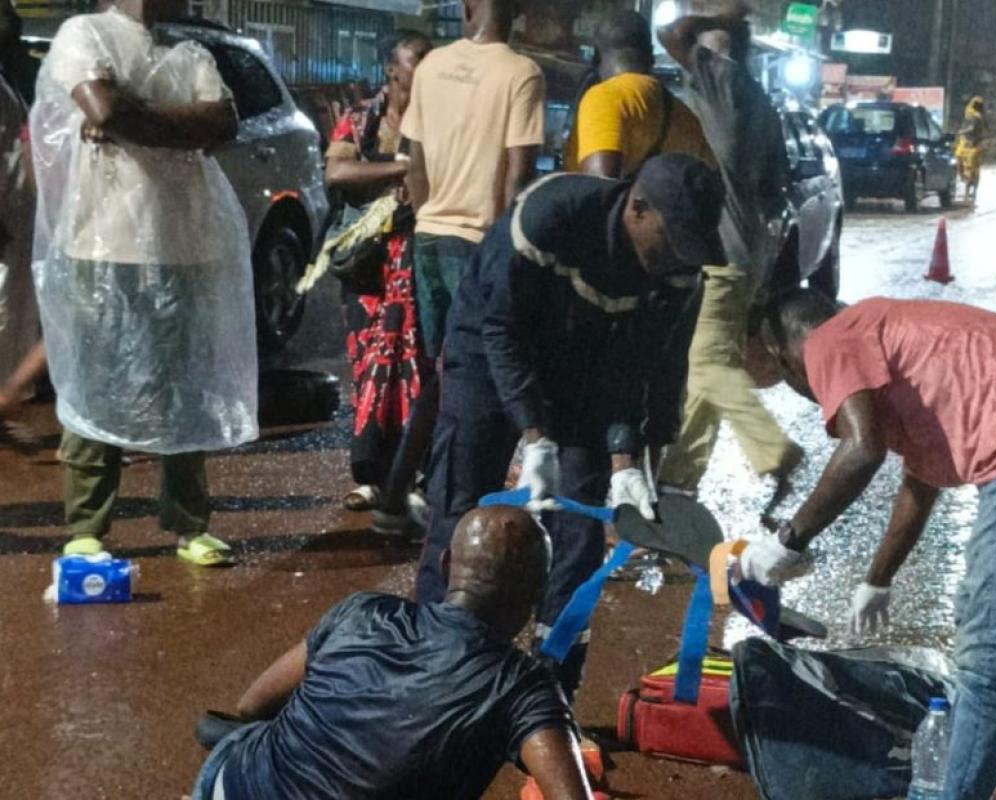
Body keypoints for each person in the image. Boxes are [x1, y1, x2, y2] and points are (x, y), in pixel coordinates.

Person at [741, 290, 996, 800]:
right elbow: (918, 487)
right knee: (986, 617)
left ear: (782, 351)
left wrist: (787, 541)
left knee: (991, 646)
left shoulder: (831, 338)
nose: (809, 393)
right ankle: (978, 753)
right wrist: (878, 579)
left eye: (791, 380)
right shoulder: (895, 350)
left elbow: (861, 451)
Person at [423, 154, 724, 698]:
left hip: (585, 373)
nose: (682, 257)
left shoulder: (678, 276)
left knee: (580, 535)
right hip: (492, 349)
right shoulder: (548, 217)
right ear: (637, 208)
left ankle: (549, 688)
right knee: (463, 500)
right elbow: (502, 329)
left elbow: (653, 371)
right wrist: (535, 436)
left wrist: (631, 462)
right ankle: (435, 669)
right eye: (674, 239)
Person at [29, 0, 258, 565]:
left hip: (184, 246)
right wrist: (179, 125)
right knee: (92, 382)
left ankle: (188, 522)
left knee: (186, 386)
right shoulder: (84, 35)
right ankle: (88, 525)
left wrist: (139, 119)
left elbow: (223, 122)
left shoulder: (190, 53)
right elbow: (103, 108)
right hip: (103, 245)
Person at [191, 506, 597, 800]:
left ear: (445, 566)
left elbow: (250, 706)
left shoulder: (363, 611)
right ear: (539, 593)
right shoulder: (520, 686)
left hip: (233, 783)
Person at [375, 0, 545, 532]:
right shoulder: (522, 73)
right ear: (519, 11)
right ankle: (454, 503)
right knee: (478, 379)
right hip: (484, 243)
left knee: (445, 371)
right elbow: (518, 177)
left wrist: (429, 218)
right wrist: (509, 250)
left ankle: (404, 491)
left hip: (432, 236)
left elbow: (416, 161)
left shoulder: (431, 67)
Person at [654, 8, 802, 503]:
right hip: (749, 248)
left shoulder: (722, 83)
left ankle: (773, 448)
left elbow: (668, 32)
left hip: (722, 252)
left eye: (703, 50)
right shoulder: (759, 98)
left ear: (720, 53)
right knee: (706, 373)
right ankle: (678, 484)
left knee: (709, 366)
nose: (691, 60)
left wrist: (711, 15)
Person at [324, 34, 432, 514]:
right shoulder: (361, 119)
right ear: (393, 70)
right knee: (371, 368)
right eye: (417, 61)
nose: (426, 69)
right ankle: (370, 474)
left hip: (416, 260)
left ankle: (414, 474)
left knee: (416, 367)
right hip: (368, 267)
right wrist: (403, 169)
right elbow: (336, 174)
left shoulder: (438, 118)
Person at [564, 8, 710, 178]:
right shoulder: (687, 118)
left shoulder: (604, 99)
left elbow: (598, 189)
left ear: (596, 56)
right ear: (651, 56)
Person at [0, 0, 45, 428]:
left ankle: (8, 392)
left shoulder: (17, 73)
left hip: (19, 213)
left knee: (14, 310)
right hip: (8, 216)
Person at [954, 96, 985, 201]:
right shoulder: (970, 116)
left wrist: (962, 131)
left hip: (974, 145)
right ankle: (967, 185)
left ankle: (969, 190)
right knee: (960, 160)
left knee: (970, 167)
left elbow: (972, 129)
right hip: (967, 143)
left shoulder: (976, 117)